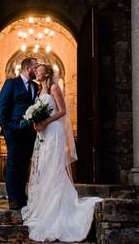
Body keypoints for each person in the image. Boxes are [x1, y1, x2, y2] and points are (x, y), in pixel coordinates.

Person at [22, 64, 101, 242]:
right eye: (36, 69)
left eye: (39, 69)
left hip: (54, 131)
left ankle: (57, 207)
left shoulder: (54, 87)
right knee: (43, 167)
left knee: (53, 167)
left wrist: (46, 122)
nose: (36, 71)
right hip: (43, 132)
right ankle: (45, 205)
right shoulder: (38, 90)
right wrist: (36, 122)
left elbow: (63, 111)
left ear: (47, 73)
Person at [0, 56, 39, 210]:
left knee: (24, 165)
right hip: (13, 131)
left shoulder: (35, 86)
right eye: (36, 67)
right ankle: (13, 198)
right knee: (13, 164)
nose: (38, 69)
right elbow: (2, 107)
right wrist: (7, 128)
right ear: (28, 69)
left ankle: (22, 197)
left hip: (29, 133)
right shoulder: (11, 84)